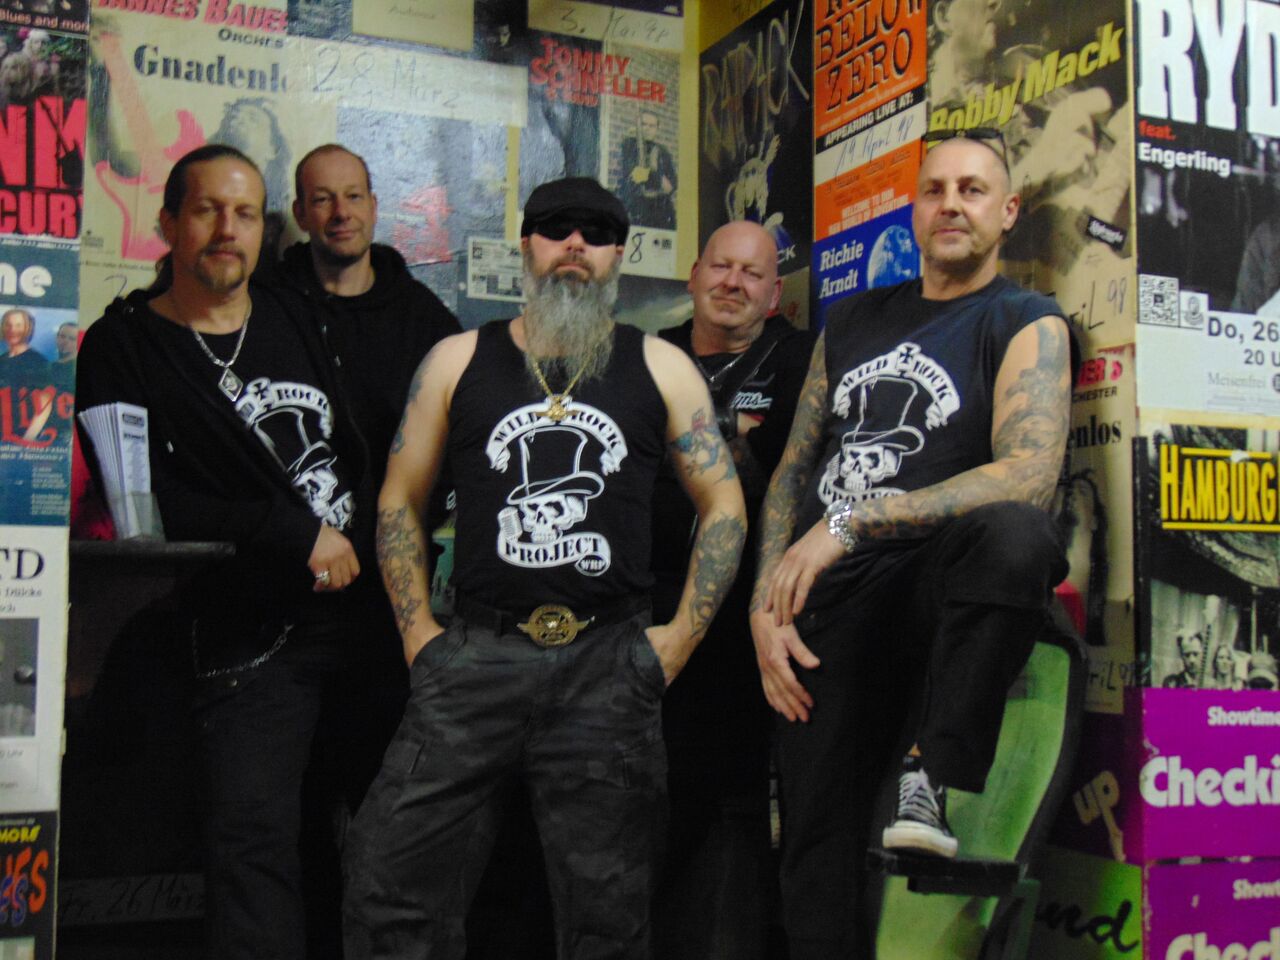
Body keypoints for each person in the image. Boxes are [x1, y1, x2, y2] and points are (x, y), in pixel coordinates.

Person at [343, 176, 747, 959]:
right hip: (474, 657)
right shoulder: (457, 360)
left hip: (608, 665)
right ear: (526, 245)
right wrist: (418, 634)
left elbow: (724, 503)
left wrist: (678, 641)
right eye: (557, 228)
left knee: (608, 915)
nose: (575, 246)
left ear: (618, 256)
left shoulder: (661, 366)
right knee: (388, 884)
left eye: (596, 233)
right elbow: (399, 498)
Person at [750, 135, 1073, 958]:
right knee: (814, 849)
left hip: (930, 581)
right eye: (935, 189)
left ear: (1007, 212)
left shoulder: (1024, 319)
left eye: (972, 189)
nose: (951, 204)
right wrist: (762, 605)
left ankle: (930, 771)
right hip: (825, 605)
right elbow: (792, 473)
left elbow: (1031, 473)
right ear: (915, 209)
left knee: (1018, 534)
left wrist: (854, 522)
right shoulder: (854, 319)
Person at [76, 144, 375, 960]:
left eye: (245, 214)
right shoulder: (126, 342)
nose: (226, 230)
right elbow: (145, 503)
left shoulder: (293, 316)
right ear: (168, 222)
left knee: (379, 837)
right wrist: (293, 533)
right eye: (207, 209)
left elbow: (353, 447)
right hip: (251, 634)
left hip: (363, 619)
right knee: (253, 847)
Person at [650, 220, 813, 960]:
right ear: (694, 275)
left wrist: (700, 436)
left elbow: (793, 469)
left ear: (774, 294)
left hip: (750, 612)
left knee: (730, 795)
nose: (733, 283)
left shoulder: (800, 359)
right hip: (645, 604)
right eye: (721, 266)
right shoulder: (648, 354)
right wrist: (733, 430)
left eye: (752, 274)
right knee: (639, 789)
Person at [278, 143, 461, 494]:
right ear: (300, 214)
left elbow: (458, 437)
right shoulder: (269, 307)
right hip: (295, 523)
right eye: (323, 199)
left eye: (354, 197)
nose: (341, 213)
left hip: (391, 522)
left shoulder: (424, 320)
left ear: (374, 208)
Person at [618, 109, 676, 229]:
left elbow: (670, 187)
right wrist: (651, 173)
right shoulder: (629, 146)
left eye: (652, 126)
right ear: (638, 126)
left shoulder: (662, 152)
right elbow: (635, 177)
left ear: (657, 129)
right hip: (637, 210)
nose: (647, 129)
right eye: (644, 124)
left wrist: (654, 169)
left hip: (661, 211)